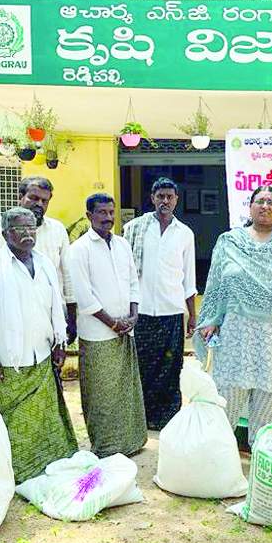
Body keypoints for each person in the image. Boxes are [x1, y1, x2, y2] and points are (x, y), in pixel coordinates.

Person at [196, 185, 272, 445]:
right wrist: (211, 320)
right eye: (259, 201)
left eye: (271, 202)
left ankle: (263, 462)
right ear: (250, 207)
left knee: (270, 410)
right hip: (236, 335)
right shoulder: (230, 242)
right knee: (225, 402)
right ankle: (219, 463)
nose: (265, 206)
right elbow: (215, 285)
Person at [0, 206, 78, 483]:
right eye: (20, 228)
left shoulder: (44, 264)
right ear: (5, 233)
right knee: (12, 422)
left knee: (45, 419)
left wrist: (59, 342)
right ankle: (15, 471)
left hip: (41, 354)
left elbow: (56, 306)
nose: (28, 234)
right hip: (8, 361)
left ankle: (46, 462)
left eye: (32, 228)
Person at [66, 193, 148, 456]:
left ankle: (131, 441)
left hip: (125, 330)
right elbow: (84, 296)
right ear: (89, 216)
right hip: (98, 334)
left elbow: (133, 282)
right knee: (101, 394)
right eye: (101, 212)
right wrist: (112, 323)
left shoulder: (123, 244)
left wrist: (133, 316)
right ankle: (106, 446)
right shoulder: (79, 250)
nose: (108, 218)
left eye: (111, 212)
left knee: (126, 389)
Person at [122, 177, 197, 430]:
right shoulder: (134, 228)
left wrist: (192, 316)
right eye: (160, 196)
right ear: (152, 198)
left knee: (170, 366)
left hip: (172, 311)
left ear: (176, 200)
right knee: (142, 366)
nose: (165, 201)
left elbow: (189, 279)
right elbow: (125, 273)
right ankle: (142, 417)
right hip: (140, 312)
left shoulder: (185, 234)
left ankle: (168, 418)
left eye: (169, 196)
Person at [0, 176, 77, 341]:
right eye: (34, 198)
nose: (39, 204)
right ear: (20, 196)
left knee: (52, 363)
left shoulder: (57, 229)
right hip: (10, 317)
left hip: (50, 315)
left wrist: (72, 319)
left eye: (44, 201)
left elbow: (67, 275)